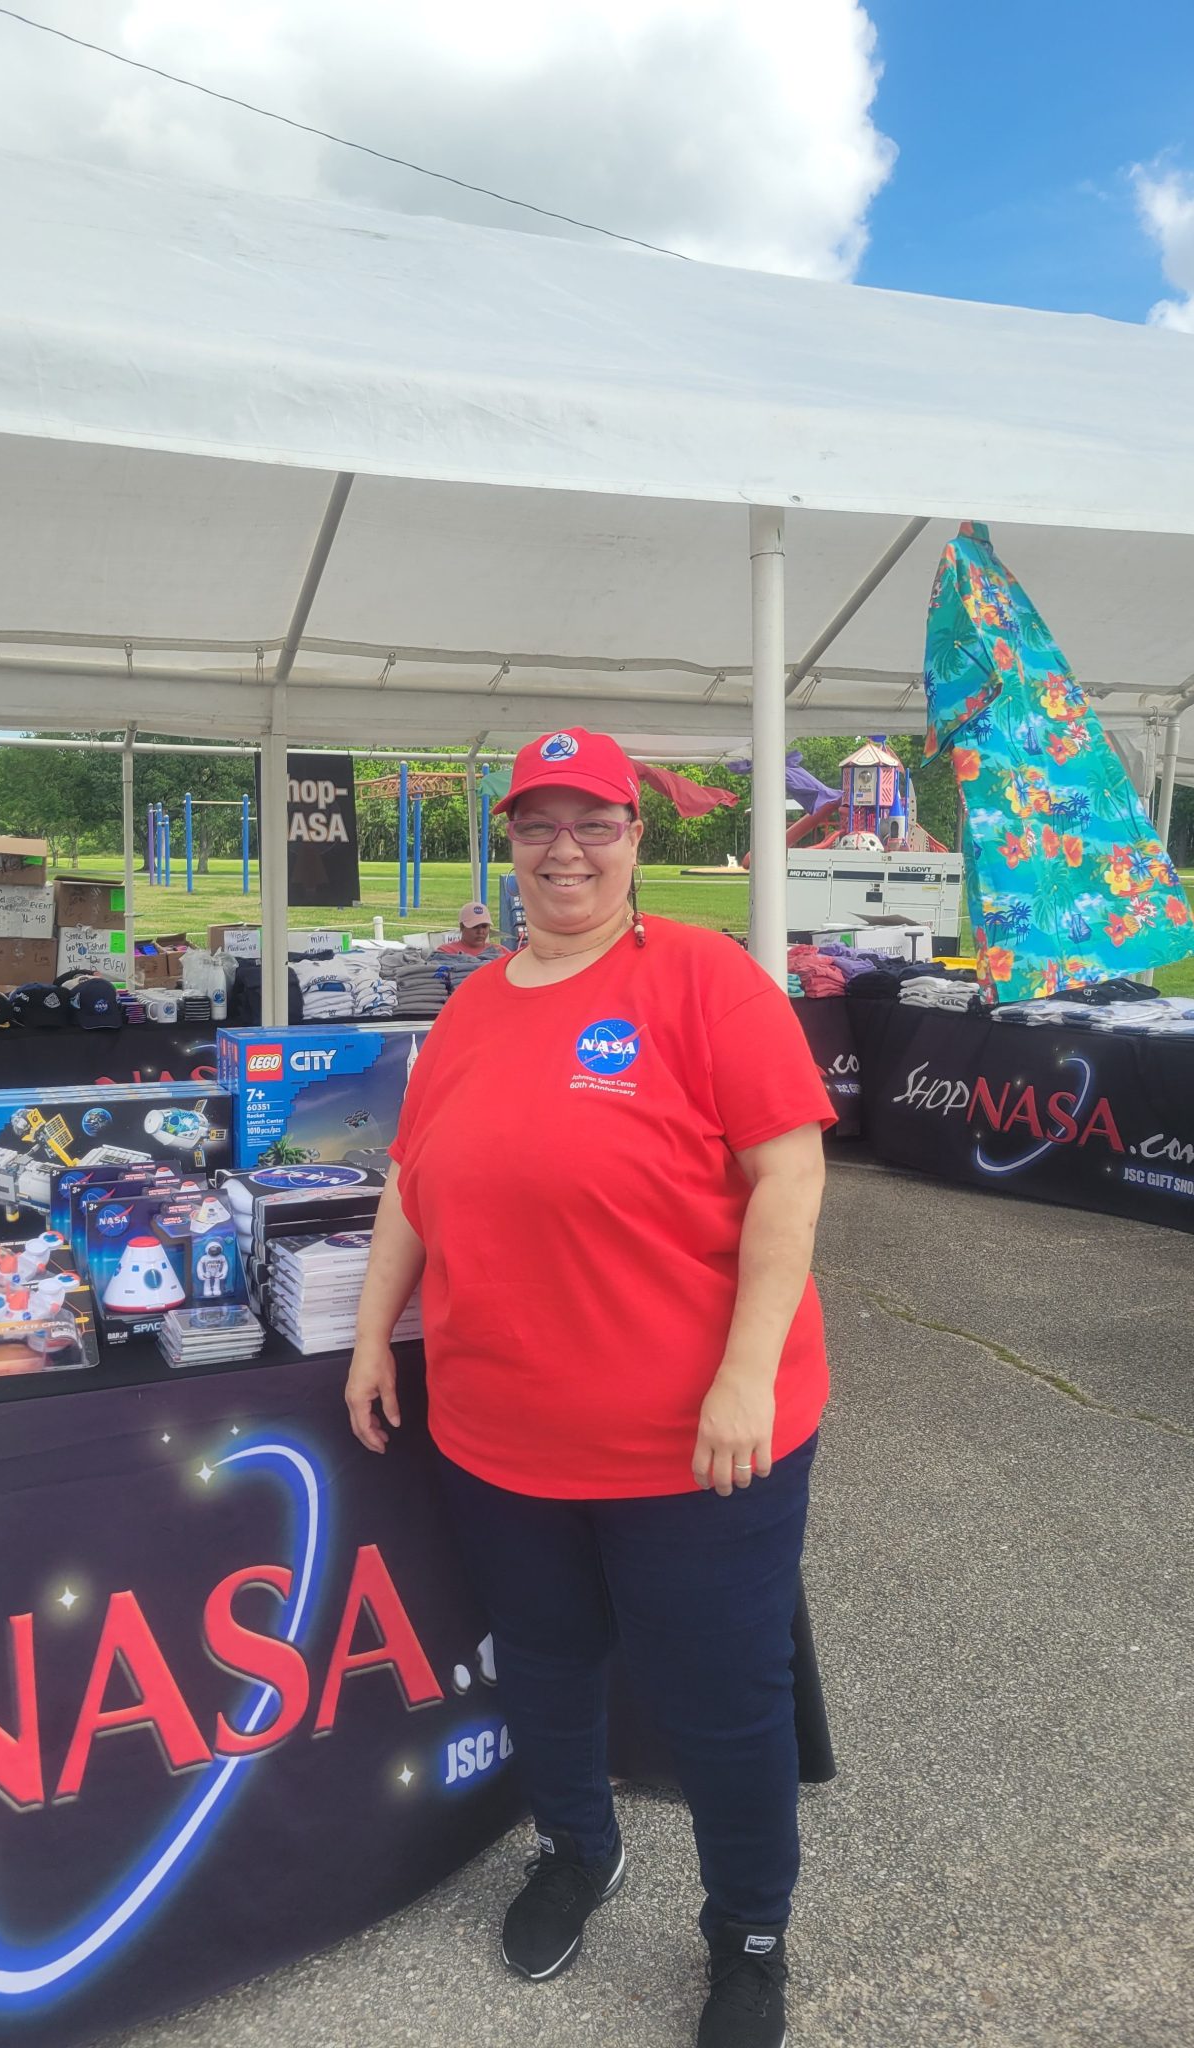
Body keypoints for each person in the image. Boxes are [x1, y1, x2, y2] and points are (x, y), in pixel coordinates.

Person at [346, 728, 834, 2048]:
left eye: (594, 822)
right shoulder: (471, 1005)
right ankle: (577, 1847)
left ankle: (748, 1934)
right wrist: (372, 1333)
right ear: (509, 841)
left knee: (722, 1698)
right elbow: (412, 1182)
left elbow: (790, 1172)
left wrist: (745, 1373)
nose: (565, 849)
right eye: (537, 824)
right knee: (548, 1664)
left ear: (636, 836)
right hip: (501, 1433)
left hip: (696, 1439)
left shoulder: (705, 977)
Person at [434, 902, 500, 956]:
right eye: (475, 926)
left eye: (484, 926)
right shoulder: (446, 952)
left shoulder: (500, 951)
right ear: (462, 927)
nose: (480, 931)